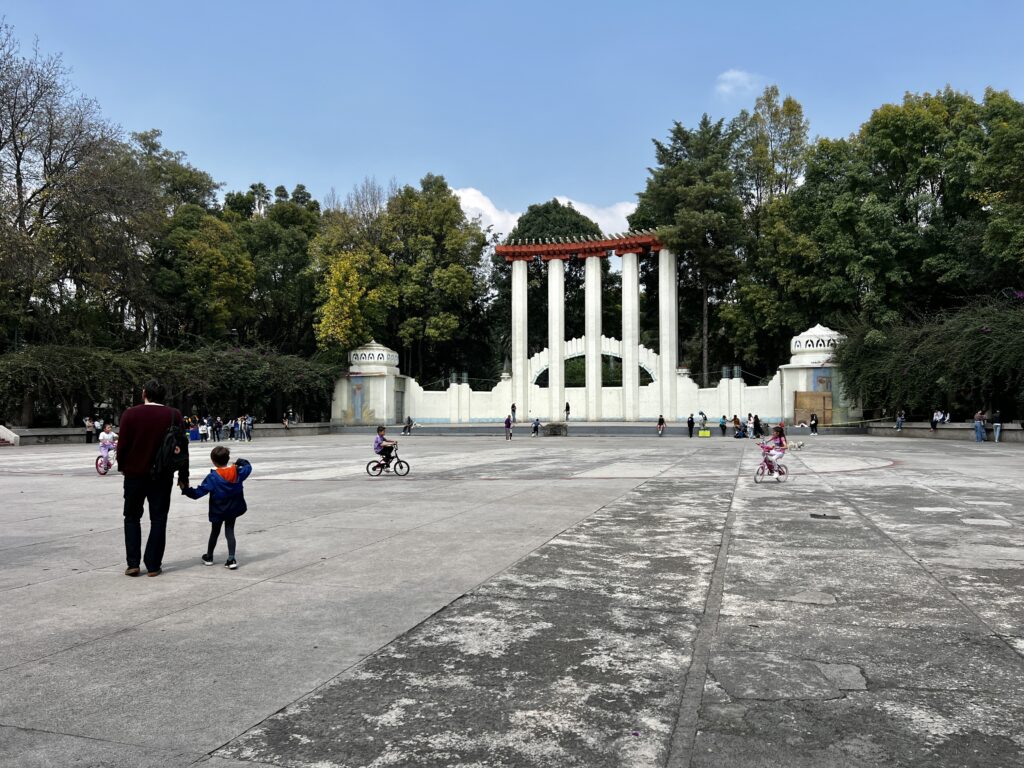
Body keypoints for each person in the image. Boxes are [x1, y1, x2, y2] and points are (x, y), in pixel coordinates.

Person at [117, 379, 187, 577]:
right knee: (158, 519)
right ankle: (153, 565)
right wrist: (183, 475)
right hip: (162, 476)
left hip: (134, 475)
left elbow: (122, 446)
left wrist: (123, 467)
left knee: (131, 517)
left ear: (144, 394)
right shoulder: (174, 415)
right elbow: (182, 449)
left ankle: (133, 563)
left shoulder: (130, 414)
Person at [182, 446, 251, 570]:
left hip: (218, 510)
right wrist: (240, 461)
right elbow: (248, 467)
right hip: (233, 508)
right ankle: (231, 559)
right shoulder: (237, 472)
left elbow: (198, 493)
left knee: (215, 532)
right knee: (230, 531)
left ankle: (209, 556)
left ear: (213, 461)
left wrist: (186, 490)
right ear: (228, 458)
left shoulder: (213, 477)